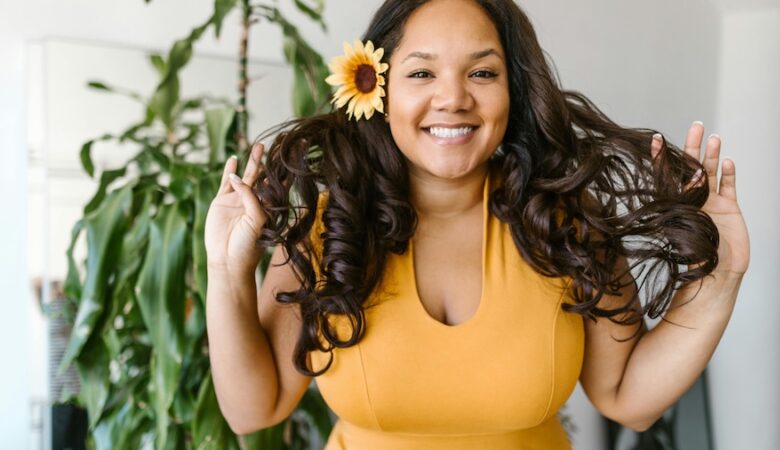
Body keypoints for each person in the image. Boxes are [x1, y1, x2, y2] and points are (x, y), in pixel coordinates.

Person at [204, 0, 750, 448]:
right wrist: (227, 273)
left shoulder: (566, 223)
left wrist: (720, 277)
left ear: (514, 92)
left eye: (483, 72)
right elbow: (255, 410)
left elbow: (628, 399)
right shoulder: (330, 230)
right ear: (377, 91)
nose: (453, 98)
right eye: (422, 73)